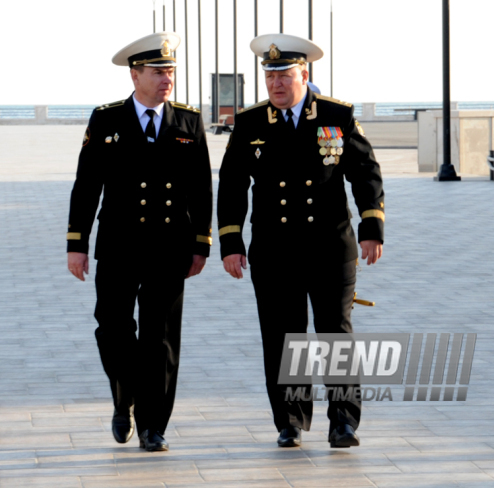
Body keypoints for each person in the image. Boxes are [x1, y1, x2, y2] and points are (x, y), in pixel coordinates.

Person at [217, 33, 384, 448]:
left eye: (284, 75)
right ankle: (290, 421)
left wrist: (371, 227)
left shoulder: (336, 115)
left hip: (330, 246)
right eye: (269, 76)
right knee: (283, 338)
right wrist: (231, 241)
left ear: (303, 75)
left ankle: (344, 422)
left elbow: (365, 172)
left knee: (335, 336)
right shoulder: (251, 122)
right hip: (275, 252)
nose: (275, 84)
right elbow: (232, 185)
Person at [66, 32, 212, 452]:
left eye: (170, 71)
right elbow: (86, 185)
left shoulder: (188, 121)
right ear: (135, 75)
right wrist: (77, 243)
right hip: (118, 245)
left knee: (160, 337)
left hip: (170, 247)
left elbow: (201, 188)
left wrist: (201, 243)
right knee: (112, 329)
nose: (167, 78)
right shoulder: (106, 119)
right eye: (158, 71)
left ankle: (153, 426)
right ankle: (124, 395)